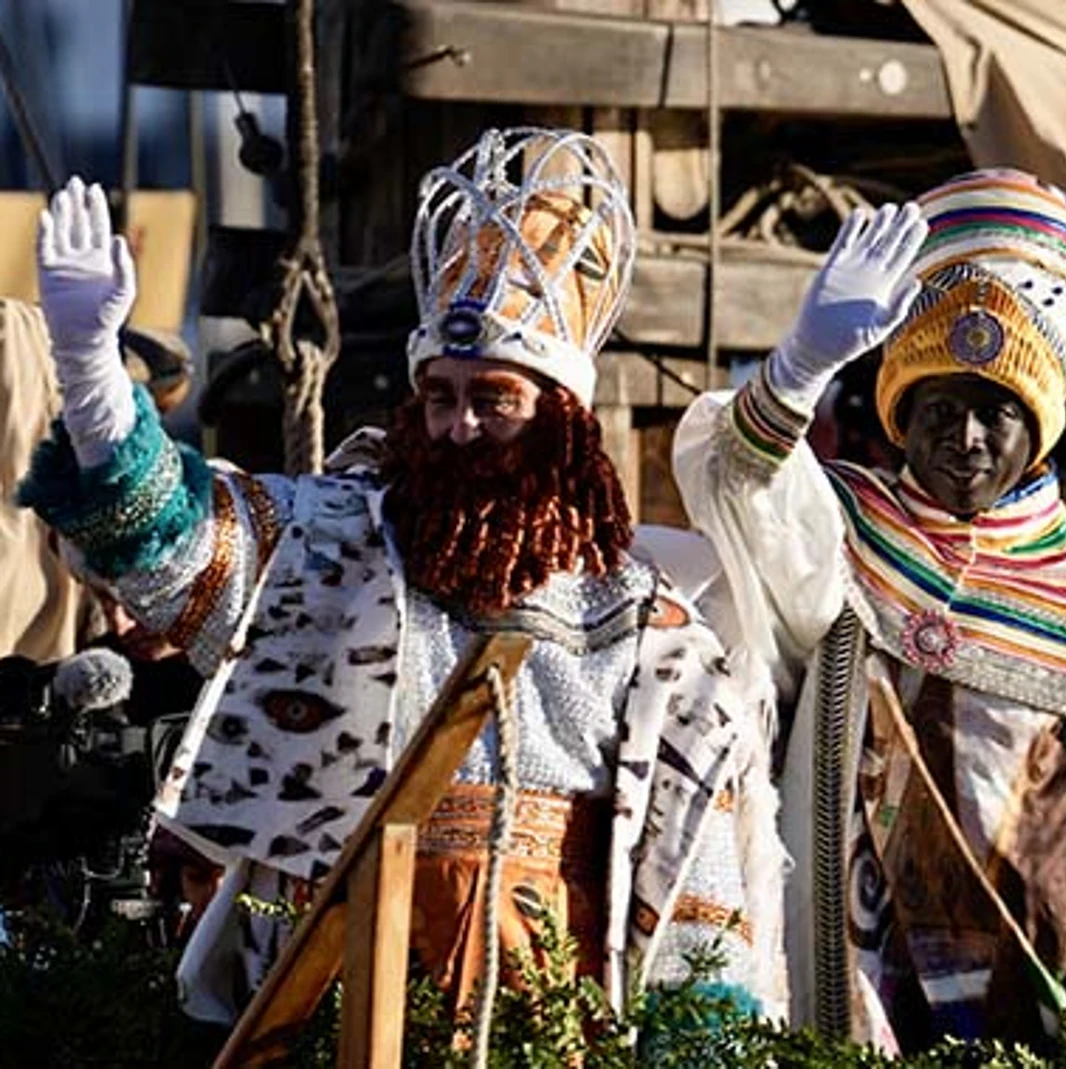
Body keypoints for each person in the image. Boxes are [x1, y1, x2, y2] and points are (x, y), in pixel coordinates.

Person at [16, 129, 784, 1025]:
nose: (459, 427)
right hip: (329, 1010)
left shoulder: (649, 628)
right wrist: (89, 371)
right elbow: (174, 542)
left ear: (561, 418)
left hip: (552, 1033)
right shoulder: (331, 549)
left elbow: (701, 922)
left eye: (493, 399)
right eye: (441, 397)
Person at [674, 168, 1066, 1061]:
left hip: (1047, 1020)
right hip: (848, 1003)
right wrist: (800, 364)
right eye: (941, 409)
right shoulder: (845, 534)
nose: (966, 440)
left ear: (1042, 424)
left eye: (998, 412)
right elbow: (734, 485)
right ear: (900, 412)